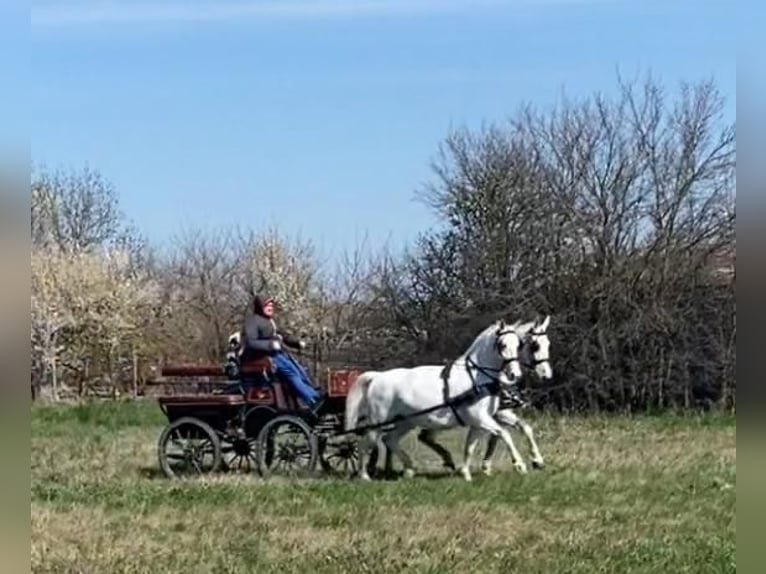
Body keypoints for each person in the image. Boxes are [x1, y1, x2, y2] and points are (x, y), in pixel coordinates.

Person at [240, 294, 324, 411]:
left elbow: (283, 336)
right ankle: (311, 399)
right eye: (267, 305)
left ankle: (314, 394)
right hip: (259, 359)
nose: (270, 307)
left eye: (271, 305)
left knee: (299, 370)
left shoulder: (270, 321)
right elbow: (250, 342)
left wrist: (297, 343)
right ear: (260, 307)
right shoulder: (253, 322)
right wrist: (270, 344)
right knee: (291, 372)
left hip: (275, 355)